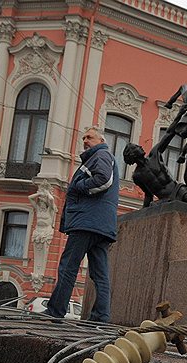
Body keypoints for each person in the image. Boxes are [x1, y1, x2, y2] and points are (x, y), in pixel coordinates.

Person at [44, 127, 119, 322]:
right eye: (84, 137)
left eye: (90, 137)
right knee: (99, 274)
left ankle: (55, 311)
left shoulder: (101, 154)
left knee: (68, 266)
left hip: (87, 222)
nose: (85, 140)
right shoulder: (99, 157)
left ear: (101, 140)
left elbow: (103, 180)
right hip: (100, 225)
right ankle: (101, 318)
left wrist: (78, 186)